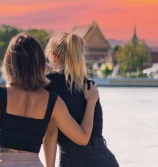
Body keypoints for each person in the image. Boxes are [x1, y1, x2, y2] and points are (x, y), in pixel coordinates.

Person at [0, 33, 100, 167]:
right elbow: (82, 138)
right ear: (39, 63)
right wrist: (91, 102)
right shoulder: (52, 100)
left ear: (10, 63)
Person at [44, 33, 119, 167]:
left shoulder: (50, 85)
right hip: (106, 158)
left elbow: (51, 132)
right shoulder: (89, 84)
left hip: (76, 159)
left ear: (53, 56)